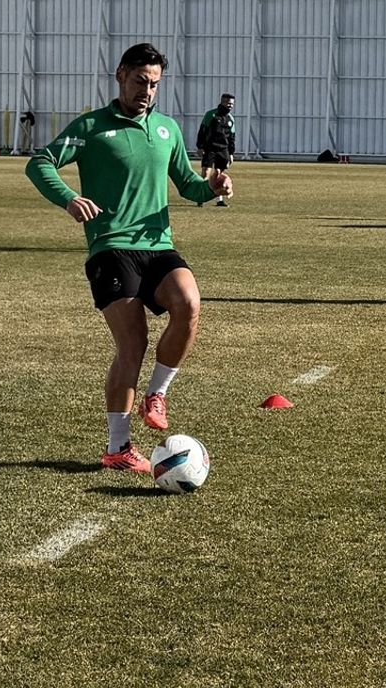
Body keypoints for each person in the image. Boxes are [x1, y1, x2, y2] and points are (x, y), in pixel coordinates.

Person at [24, 43, 233, 472]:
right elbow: (40, 162)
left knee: (189, 303)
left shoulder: (166, 129)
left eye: (154, 84)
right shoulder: (91, 127)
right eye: (140, 81)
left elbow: (188, 186)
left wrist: (211, 188)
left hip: (157, 245)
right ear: (121, 74)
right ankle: (118, 447)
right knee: (133, 343)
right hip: (111, 247)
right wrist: (68, 198)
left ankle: (157, 394)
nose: (147, 91)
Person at [196, 93, 237, 206]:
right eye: (228, 103)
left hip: (223, 150)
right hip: (210, 148)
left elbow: (232, 137)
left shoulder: (230, 119)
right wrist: (200, 146)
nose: (230, 106)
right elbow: (202, 131)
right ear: (222, 102)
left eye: (232, 104)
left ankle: (219, 200)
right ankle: (200, 197)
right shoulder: (211, 115)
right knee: (206, 173)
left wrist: (231, 153)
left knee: (218, 174)